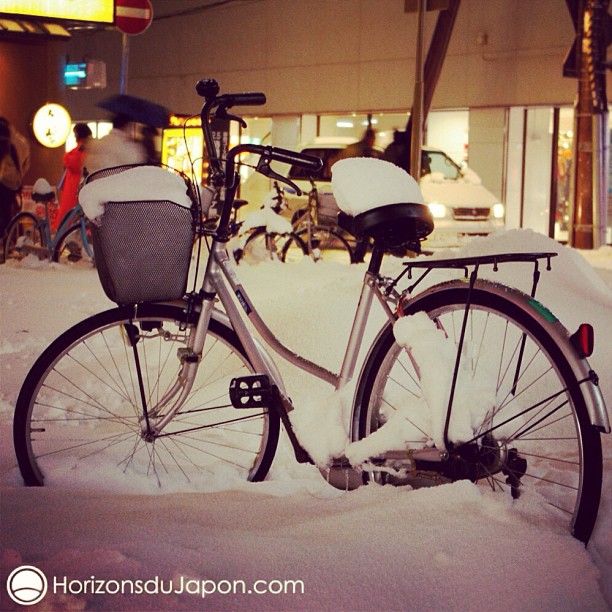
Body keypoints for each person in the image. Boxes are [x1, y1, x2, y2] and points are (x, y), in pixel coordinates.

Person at [52, 123, 92, 232]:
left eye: (75, 134)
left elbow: (74, 163)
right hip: (84, 185)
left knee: (69, 217)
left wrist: (65, 157)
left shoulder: (81, 149)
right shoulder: (92, 147)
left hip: (74, 187)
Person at [0, 120, 22, 238]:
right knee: (8, 213)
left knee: (4, 214)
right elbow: (18, 165)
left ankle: (6, 239)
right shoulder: (11, 145)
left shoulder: (2, 145)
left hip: (3, 184)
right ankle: (10, 240)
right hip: (11, 185)